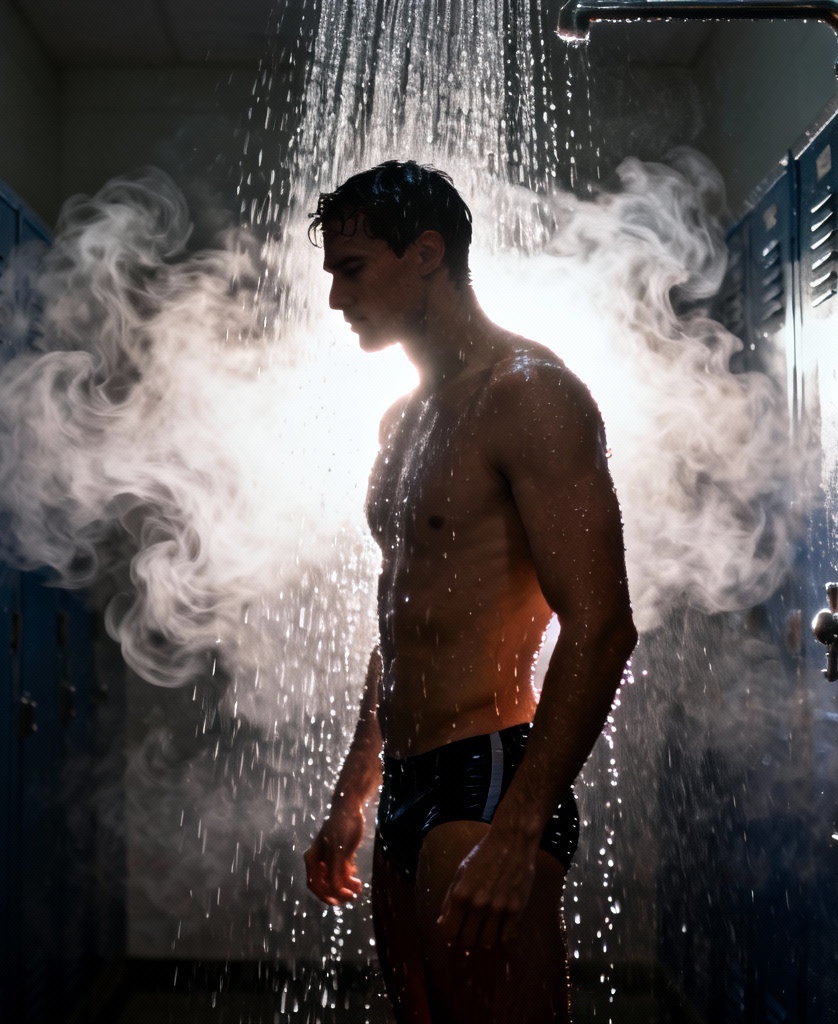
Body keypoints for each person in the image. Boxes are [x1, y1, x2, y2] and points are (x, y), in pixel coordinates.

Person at [302, 160, 637, 1024]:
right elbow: (403, 622)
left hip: (487, 782)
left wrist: (519, 827)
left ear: (424, 255)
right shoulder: (403, 420)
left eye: (352, 268)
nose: (337, 297)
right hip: (411, 785)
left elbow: (602, 627)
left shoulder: (530, 396)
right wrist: (353, 798)